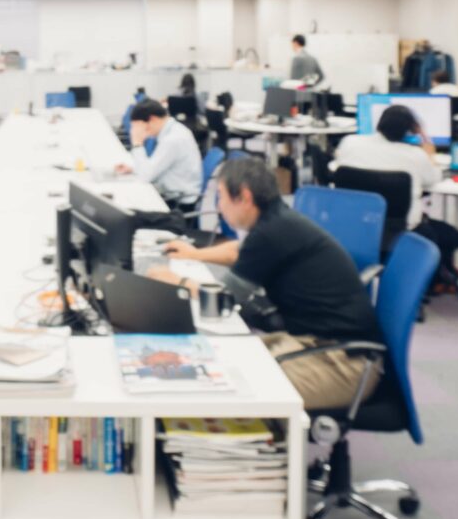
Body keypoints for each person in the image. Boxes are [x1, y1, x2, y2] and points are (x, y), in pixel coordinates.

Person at [147, 158, 383, 409]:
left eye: (221, 196)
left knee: (231, 387)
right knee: (220, 358)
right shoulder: (278, 220)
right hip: (316, 343)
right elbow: (241, 251)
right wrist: (194, 254)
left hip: (345, 365)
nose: (219, 206)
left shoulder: (272, 232)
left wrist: (178, 281)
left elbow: (223, 298)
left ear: (245, 197)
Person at [334, 105, 458, 292]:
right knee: (449, 235)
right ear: (409, 130)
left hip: (355, 225)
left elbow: (339, 162)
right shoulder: (416, 155)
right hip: (400, 230)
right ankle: (430, 282)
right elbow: (433, 180)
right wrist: (430, 153)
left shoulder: (350, 143)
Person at [115, 99, 202, 208]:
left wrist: (137, 143)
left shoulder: (172, 140)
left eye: (139, 127)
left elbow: (144, 177)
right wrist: (133, 168)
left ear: (152, 119)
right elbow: (154, 167)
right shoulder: (174, 130)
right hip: (171, 192)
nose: (138, 132)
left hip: (177, 203)